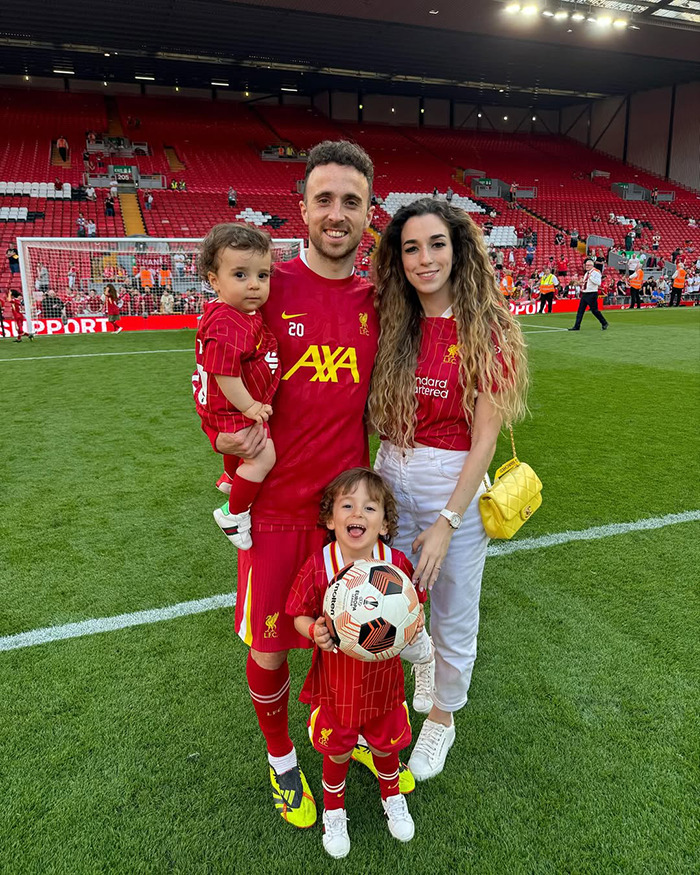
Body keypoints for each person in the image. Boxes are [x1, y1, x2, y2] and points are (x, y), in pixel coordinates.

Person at [211, 140, 377, 829]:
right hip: (277, 506)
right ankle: (282, 759)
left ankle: (348, 729)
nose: (337, 214)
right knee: (272, 642)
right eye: (325, 199)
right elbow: (210, 369)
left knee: (352, 634)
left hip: (350, 512)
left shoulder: (381, 296)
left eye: (352, 201)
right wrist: (223, 436)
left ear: (370, 213)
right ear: (301, 208)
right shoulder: (264, 288)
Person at [368, 198, 528, 781]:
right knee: (388, 598)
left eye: (436, 244)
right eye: (411, 247)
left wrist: (448, 522)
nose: (424, 258)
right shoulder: (393, 317)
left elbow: (484, 440)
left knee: (453, 610)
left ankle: (442, 720)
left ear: (458, 249)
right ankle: (421, 662)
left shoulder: (489, 329)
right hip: (390, 469)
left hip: (452, 478)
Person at [286, 468, 426, 858]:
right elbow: (297, 613)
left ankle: (393, 798)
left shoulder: (395, 565)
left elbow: (413, 610)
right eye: (347, 505)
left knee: (385, 747)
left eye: (369, 507)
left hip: (383, 685)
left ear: (384, 523)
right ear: (331, 520)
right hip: (337, 686)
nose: (357, 514)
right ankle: (334, 811)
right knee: (339, 750)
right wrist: (313, 629)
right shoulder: (320, 565)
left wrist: (415, 630)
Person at [192, 224, 279, 550]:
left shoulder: (228, 311)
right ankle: (234, 514)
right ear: (214, 281)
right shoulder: (230, 322)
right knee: (262, 457)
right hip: (228, 405)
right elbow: (224, 373)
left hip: (213, 403)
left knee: (242, 452)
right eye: (240, 275)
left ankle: (230, 477)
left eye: (263, 275)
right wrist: (250, 407)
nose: (254, 284)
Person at [568, 258, 609, 331]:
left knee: (594, 310)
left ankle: (604, 322)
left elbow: (598, 282)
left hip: (592, 293)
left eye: (588, 265)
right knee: (580, 310)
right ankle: (576, 326)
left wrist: (591, 277)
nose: (586, 266)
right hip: (585, 293)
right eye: (586, 265)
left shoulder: (596, 272)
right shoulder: (587, 273)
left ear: (592, 265)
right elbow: (585, 282)